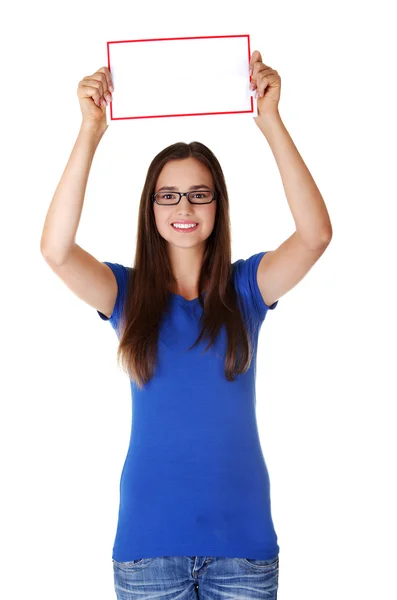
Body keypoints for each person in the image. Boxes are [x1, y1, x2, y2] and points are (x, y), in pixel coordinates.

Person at [40, 50, 332, 600]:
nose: (185, 207)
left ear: (218, 206)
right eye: (169, 195)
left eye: (200, 194)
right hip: (148, 551)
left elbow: (315, 235)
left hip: (242, 551)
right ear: (151, 209)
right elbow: (55, 252)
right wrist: (89, 132)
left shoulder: (247, 290)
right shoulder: (125, 296)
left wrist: (270, 121)